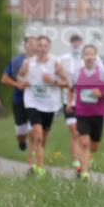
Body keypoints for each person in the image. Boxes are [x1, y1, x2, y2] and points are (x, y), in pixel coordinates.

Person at [18, 35, 69, 177]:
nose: (42, 48)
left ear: (49, 48)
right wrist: (23, 82)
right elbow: (20, 76)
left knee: (42, 139)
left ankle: (34, 162)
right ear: (36, 48)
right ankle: (39, 169)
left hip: (49, 105)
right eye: (40, 45)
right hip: (32, 102)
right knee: (38, 136)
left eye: (45, 46)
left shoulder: (55, 63)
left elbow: (66, 83)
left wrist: (52, 81)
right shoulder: (28, 63)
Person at [70, 44, 104, 181]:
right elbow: (70, 89)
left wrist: (101, 94)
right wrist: (69, 103)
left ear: (96, 57)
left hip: (97, 113)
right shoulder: (77, 73)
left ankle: (84, 161)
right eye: (86, 54)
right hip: (82, 113)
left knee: (94, 146)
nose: (89, 57)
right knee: (84, 142)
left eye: (92, 54)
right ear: (83, 57)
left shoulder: (103, 74)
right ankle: (85, 172)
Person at [59, 33, 104, 177]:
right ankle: (78, 163)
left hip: (91, 106)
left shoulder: (95, 61)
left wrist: (101, 93)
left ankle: (83, 159)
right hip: (71, 102)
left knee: (91, 144)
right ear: (70, 43)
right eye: (73, 41)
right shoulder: (63, 59)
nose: (75, 44)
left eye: (77, 41)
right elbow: (62, 80)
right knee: (75, 132)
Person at [0, 36, 36, 156]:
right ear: (25, 46)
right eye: (30, 43)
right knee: (21, 131)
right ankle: (21, 142)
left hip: (36, 101)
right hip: (19, 100)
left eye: (35, 44)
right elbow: (4, 79)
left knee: (34, 131)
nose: (32, 46)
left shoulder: (42, 61)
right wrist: (17, 84)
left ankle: (33, 162)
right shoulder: (17, 61)